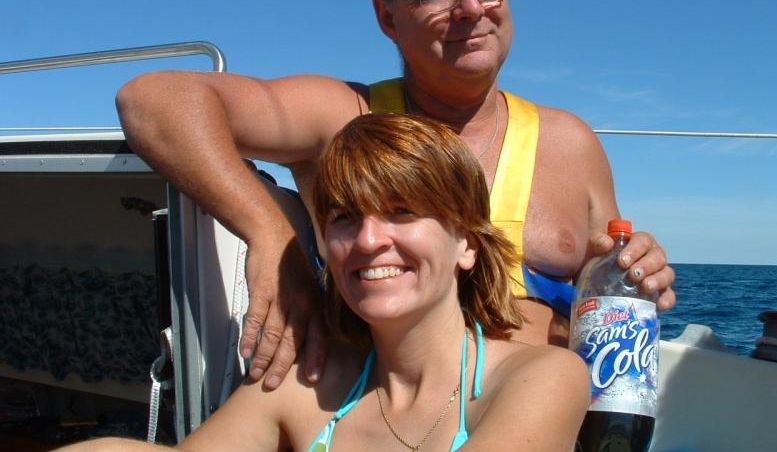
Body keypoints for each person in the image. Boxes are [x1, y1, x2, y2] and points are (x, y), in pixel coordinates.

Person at [116, 0, 676, 390]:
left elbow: (608, 291)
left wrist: (641, 271)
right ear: (387, 18)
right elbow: (154, 100)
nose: (470, 8)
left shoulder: (571, 141)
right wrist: (272, 235)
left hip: (540, 422)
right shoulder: (344, 116)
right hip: (373, 418)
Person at [59, 113, 590, 452]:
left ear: (467, 244)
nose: (368, 240)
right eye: (344, 217)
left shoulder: (541, 377)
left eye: (403, 212)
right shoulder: (305, 381)